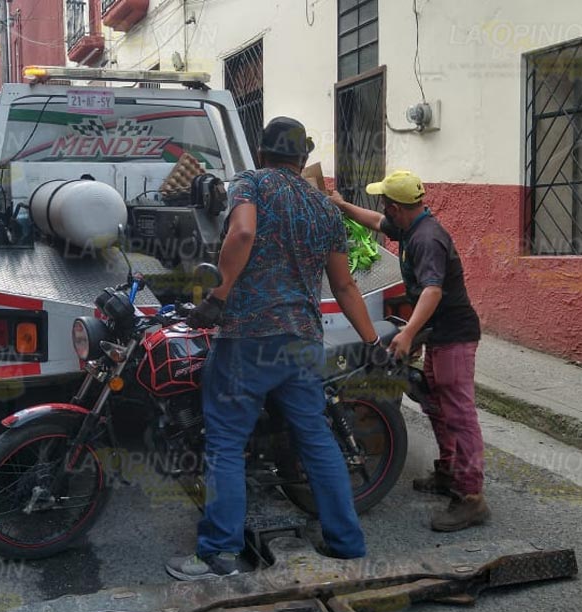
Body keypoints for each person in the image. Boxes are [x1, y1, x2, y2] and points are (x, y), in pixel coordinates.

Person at [165, 117, 383, 581]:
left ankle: (218, 553)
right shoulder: (325, 208)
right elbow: (344, 284)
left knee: (224, 442)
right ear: (302, 158)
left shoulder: (251, 183)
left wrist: (218, 296)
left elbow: (242, 233)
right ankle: (347, 543)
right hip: (302, 338)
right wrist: (373, 340)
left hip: (247, 335)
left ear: (261, 154)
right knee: (316, 438)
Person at [330, 171, 489, 532]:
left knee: (459, 412)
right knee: (435, 403)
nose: (383, 210)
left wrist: (408, 334)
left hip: (454, 334)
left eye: (386, 204)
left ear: (397, 206)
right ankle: (449, 472)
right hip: (438, 333)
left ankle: (471, 498)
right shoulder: (410, 225)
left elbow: (432, 291)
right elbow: (374, 221)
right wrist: (341, 206)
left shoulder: (427, 239)